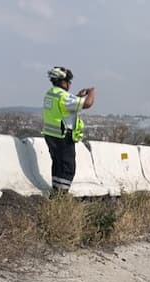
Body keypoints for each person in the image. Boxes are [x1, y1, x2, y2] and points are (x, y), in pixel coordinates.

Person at [41, 67, 95, 197]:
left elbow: (63, 107)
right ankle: (62, 196)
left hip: (51, 135)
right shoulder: (63, 96)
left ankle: (56, 192)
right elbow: (88, 103)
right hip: (63, 136)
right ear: (62, 81)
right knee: (67, 167)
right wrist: (92, 92)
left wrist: (76, 97)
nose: (69, 84)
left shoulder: (51, 93)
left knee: (57, 164)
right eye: (68, 81)